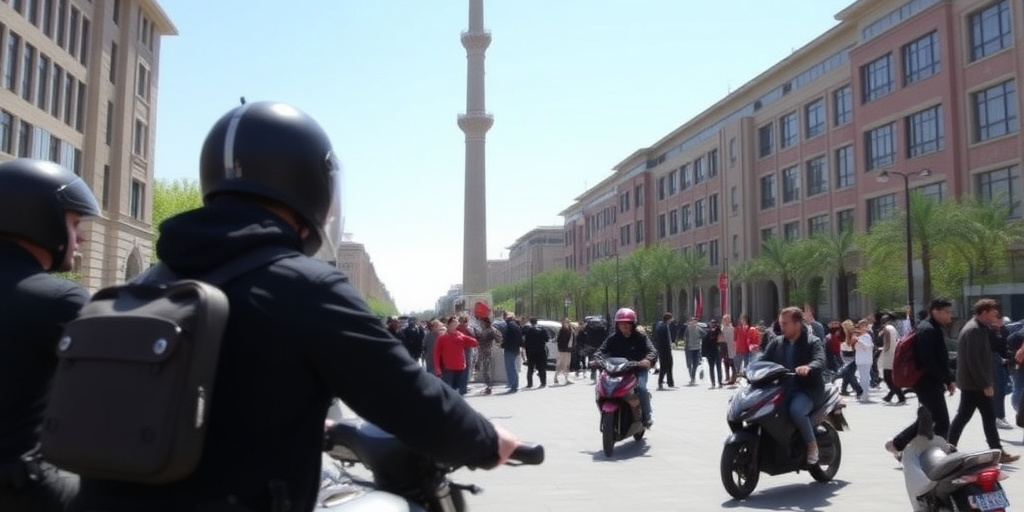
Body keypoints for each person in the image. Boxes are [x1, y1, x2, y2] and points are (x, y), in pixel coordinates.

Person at [70, 101, 521, 512]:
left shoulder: (152, 280)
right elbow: (405, 395)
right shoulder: (304, 285)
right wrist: (484, 440)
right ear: (312, 181)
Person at [0, 159, 100, 512]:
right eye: (74, 223)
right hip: (23, 491)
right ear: (40, 221)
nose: (82, 236)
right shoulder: (59, 300)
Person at [946, 299, 1019, 463]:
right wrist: (985, 383)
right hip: (975, 384)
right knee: (976, 416)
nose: (996, 316)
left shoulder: (978, 328)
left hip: (972, 382)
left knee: (974, 416)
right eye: (993, 313)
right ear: (984, 312)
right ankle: (996, 451)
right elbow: (974, 361)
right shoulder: (974, 330)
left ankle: (950, 447)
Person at [885, 297, 957, 461]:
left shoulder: (933, 328)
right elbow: (928, 360)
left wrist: (948, 378)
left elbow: (940, 358)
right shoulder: (928, 329)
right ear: (935, 311)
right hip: (926, 381)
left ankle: (898, 444)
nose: (949, 316)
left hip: (929, 381)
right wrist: (946, 379)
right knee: (942, 421)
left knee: (928, 418)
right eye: (946, 312)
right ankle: (937, 457)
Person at [759, 306, 827, 464]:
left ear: (797, 324)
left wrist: (809, 367)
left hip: (807, 390)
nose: (781, 327)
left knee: (796, 410)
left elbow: (820, 360)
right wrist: (749, 370)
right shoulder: (777, 342)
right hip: (782, 389)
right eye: (780, 323)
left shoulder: (812, 341)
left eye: (785, 323)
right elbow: (763, 360)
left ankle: (812, 446)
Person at [593, 308, 657, 427]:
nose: (624, 326)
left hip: (637, 369)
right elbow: (600, 351)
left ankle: (647, 415)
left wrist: (647, 360)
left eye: (627, 324)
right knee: (601, 387)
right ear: (617, 325)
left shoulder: (641, 337)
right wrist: (596, 359)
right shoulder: (612, 338)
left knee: (641, 388)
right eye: (621, 324)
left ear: (633, 324)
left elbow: (652, 351)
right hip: (616, 370)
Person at [434, 316, 480, 395]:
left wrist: (474, 332)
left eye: (456, 322)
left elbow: (475, 342)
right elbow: (436, 354)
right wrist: (437, 368)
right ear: (449, 324)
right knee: (448, 390)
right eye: (453, 321)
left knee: (456, 390)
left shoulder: (460, 335)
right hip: (448, 368)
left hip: (460, 367)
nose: (456, 323)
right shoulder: (442, 337)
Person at [878, 313, 906, 405]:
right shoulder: (893, 328)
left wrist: (884, 350)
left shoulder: (887, 329)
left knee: (888, 378)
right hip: (893, 354)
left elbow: (887, 341)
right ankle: (889, 396)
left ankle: (901, 397)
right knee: (890, 377)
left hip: (888, 356)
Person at [477, 317, 502, 395]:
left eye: (481, 322)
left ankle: (489, 387)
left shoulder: (490, 330)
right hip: (484, 351)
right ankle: (488, 386)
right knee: (485, 369)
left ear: (485, 322)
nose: (480, 324)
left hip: (487, 351)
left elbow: (499, 338)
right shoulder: (487, 329)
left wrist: (494, 345)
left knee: (486, 370)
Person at [852, 319, 875, 403]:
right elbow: (855, 348)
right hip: (861, 360)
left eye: (865, 326)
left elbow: (867, 346)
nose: (863, 328)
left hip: (865, 360)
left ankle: (864, 395)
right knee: (863, 378)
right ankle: (864, 394)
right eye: (861, 326)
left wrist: (858, 341)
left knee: (865, 378)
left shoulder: (866, 336)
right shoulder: (860, 337)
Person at [523, 318, 549, 388]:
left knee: (530, 368)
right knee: (541, 368)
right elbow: (547, 339)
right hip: (541, 351)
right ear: (537, 322)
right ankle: (543, 382)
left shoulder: (528, 330)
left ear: (530, 322)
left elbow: (525, 342)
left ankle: (529, 383)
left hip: (531, 352)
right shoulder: (542, 330)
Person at [653, 313, 676, 389]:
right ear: (668, 319)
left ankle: (670, 383)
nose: (672, 320)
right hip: (664, 350)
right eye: (671, 319)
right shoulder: (662, 327)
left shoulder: (665, 325)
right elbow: (661, 340)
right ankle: (660, 382)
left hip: (666, 349)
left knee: (669, 365)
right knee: (664, 366)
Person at [501, 314, 524, 393]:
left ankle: (513, 385)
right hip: (515, 349)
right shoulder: (517, 326)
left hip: (509, 349)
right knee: (513, 367)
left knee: (510, 368)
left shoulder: (509, 326)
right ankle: (514, 384)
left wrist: (502, 345)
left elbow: (506, 338)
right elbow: (520, 339)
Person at [680, 317, 705, 385]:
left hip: (697, 348)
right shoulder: (687, 329)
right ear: (690, 322)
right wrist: (686, 343)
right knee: (689, 364)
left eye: (695, 322)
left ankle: (693, 377)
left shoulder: (699, 329)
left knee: (695, 364)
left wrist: (701, 341)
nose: (693, 324)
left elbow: (705, 335)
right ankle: (692, 378)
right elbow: (684, 336)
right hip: (689, 349)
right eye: (692, 322)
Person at [702, 319, 724, 389]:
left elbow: (721, 341)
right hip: (710, 353)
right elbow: (704, 343)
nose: (713, 325)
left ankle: (720, 382)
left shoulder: (718, 331)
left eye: (714, 323)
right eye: (711, 323)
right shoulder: (707, 332)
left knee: (718, 367)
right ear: (710, 324)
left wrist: (718, 328)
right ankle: (713, 383)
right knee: (711, 368)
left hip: (717, 352)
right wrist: (704, 354)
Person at [554, 318, 575, 385]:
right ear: (563, 323)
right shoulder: (563, 330)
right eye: (566, 322)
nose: (568, 323)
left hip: (568, 350)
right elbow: (560, 340)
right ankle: (556, 377)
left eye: (568, 322)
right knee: (561, 364)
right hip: (563, 350)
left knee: (567, 364)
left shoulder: (570, 330)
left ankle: (566, 378)